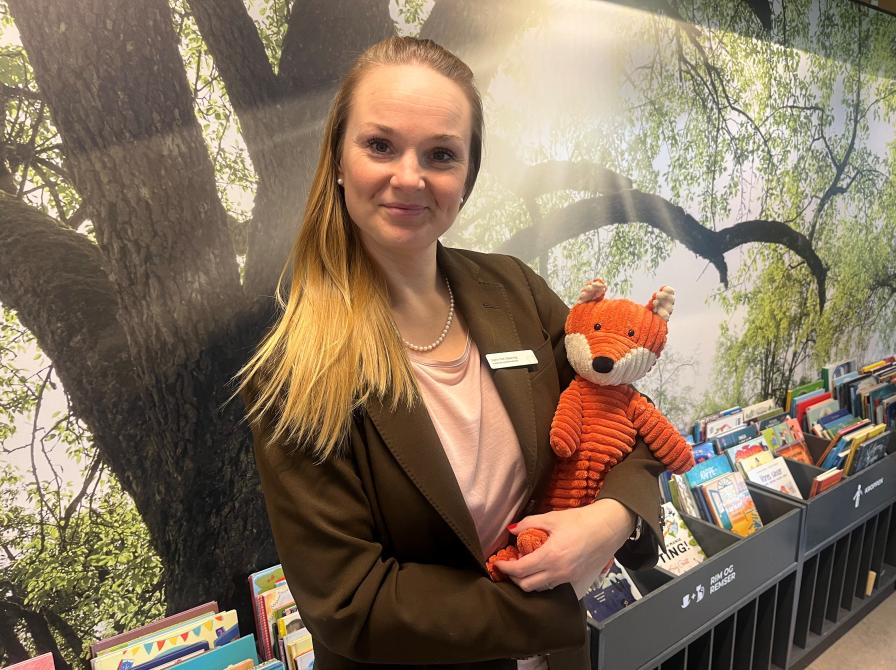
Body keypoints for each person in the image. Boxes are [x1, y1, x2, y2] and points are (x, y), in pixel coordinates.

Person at [237, 36, 665, 670]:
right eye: (380, 145)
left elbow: (620, 412)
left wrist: (614, 519)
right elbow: (352, 602)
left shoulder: (515, 290)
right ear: (337, 160)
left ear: (466, 178)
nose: (409, 177)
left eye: (440, 154)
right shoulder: (295, 372)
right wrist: (551, 604)